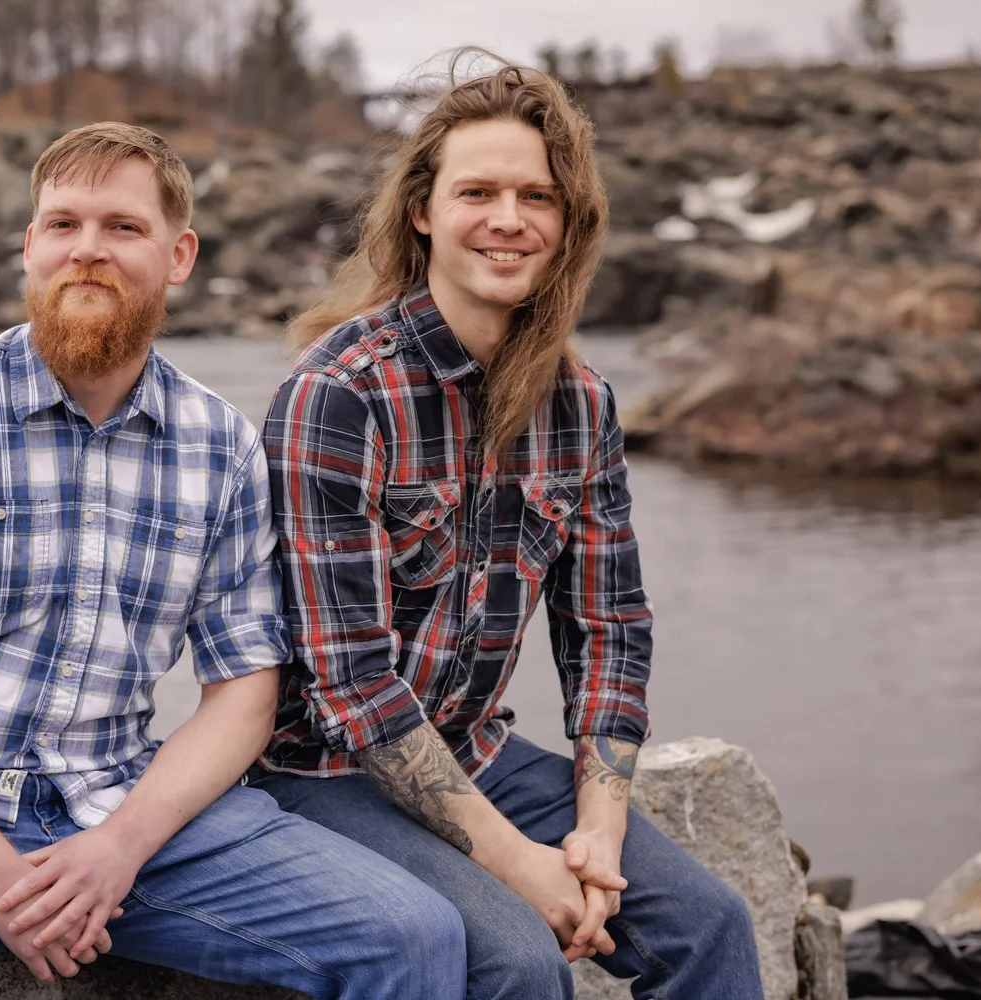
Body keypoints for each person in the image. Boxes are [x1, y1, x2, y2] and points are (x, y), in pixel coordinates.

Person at [0, 121, 466, 1000]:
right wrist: (3, 880)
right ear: (30, 245)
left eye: (122, 227)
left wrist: (118, 848)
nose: (87, 252)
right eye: (63, 226)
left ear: (179, 254)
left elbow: (245, 691)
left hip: (120, 799)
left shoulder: (217, 446)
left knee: (414, 937)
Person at [250, 54, 765, 1000]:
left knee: (711, 925)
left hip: (475, 746)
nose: (508, 219)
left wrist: (598, 825)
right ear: (422, 211)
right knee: (519, 960)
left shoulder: (579, 403)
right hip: (319, 773)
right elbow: (351, 688)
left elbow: (610, 629)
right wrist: (520, 864)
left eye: (538, 196)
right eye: (477, 191)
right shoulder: (339, 397)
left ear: (568, 223)